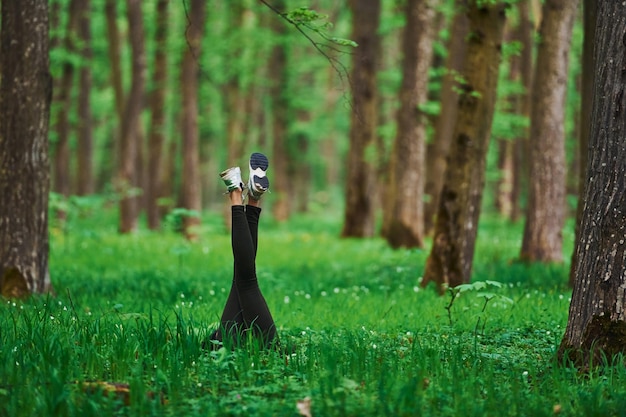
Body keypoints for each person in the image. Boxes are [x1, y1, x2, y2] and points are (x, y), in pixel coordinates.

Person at [205, 152, 277, 350]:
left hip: (225, 345)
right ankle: (247, 197)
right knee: (243, 283)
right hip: (234, 344)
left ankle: (241, 195)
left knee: (244, 283)